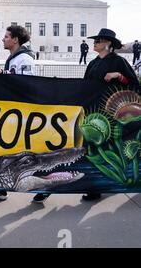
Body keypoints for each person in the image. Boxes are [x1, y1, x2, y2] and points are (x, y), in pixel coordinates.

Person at [33, 28, 139, 204]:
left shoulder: (118, 62)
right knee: (76, 148)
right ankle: (51, 186)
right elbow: (84, 86)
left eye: (98, 40)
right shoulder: (93, 63)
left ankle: (93, 187)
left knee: (96, 151)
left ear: (108, 43)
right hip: (90, 114)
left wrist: (118, 76)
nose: (95, 43)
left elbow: (134, 84)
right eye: (95, 40)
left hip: (107, 117)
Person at [0, 25, 35, 201]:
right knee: (5, 152)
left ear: (15, 40)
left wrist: (4, 74)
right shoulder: (13, 59)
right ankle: (0, 188)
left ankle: (43, 188)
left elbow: (28, 84)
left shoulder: (25, 60)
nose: (3, 39)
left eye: (6, 36)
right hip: (11, 113)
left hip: (20, 114)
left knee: (26, 154)